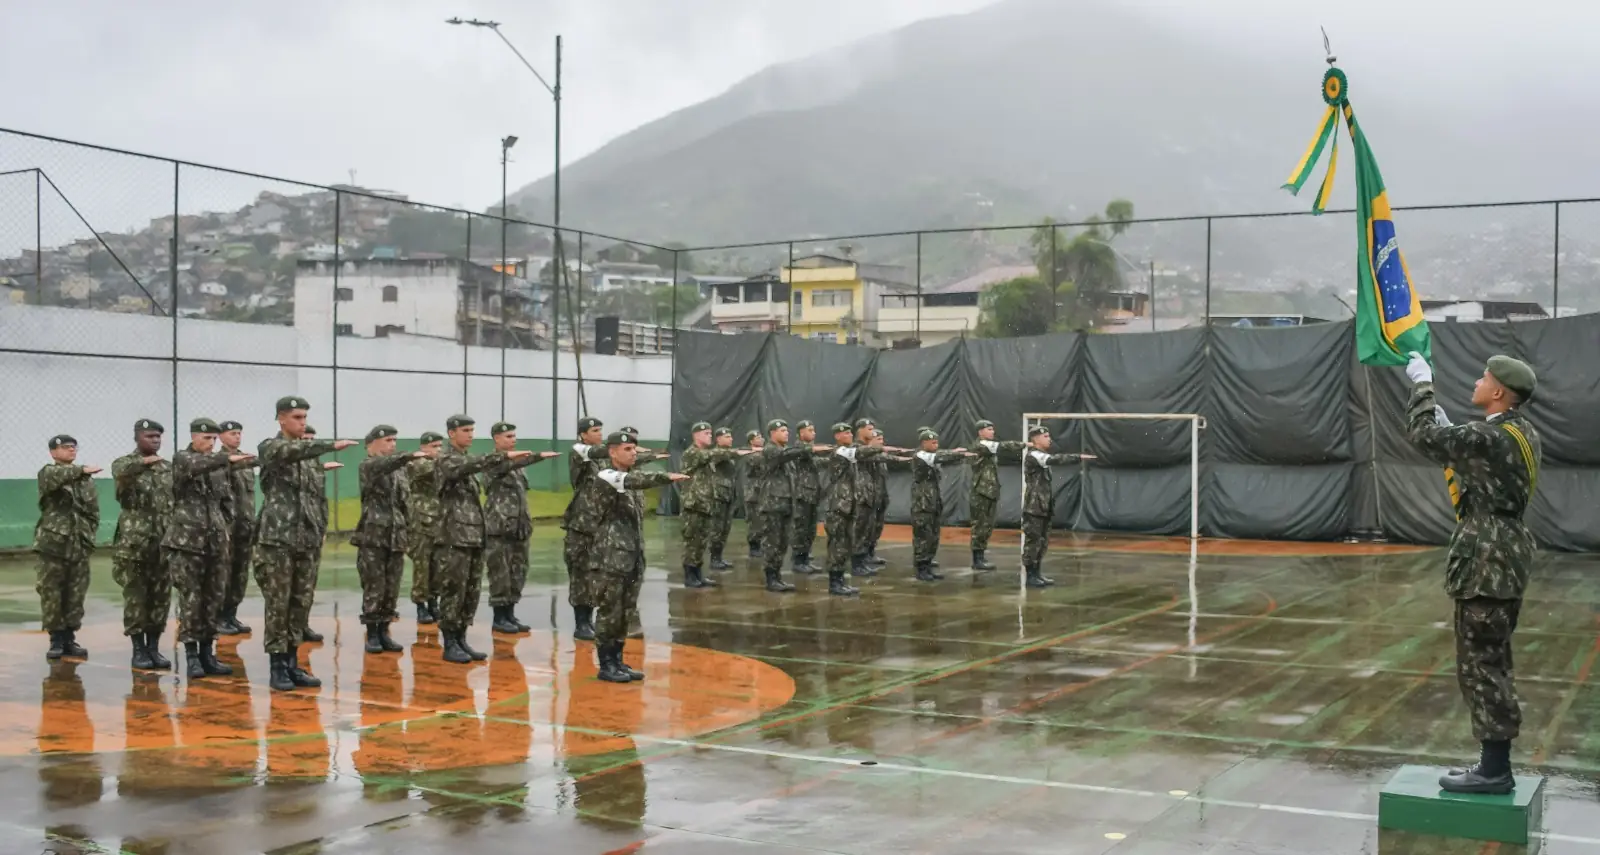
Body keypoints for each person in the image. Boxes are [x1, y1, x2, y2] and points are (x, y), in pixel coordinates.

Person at [1404, 351, 1542, 795]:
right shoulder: (1520, 432)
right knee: (1493, 661)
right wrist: (1452, 431)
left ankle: (1494, 770)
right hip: (1506, 553)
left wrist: (1423, 387)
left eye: (1485, 377)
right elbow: (1478, 464)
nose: (1478, 381)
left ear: (1499, 391)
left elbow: (1422, 436)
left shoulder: (1489, 436)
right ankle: (1493, 762)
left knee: (1481, 665)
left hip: (1486, 560)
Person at [568, 431, 688, 682]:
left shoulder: (629, 479)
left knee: (625, 612)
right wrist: (665, 476)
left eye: (634, 449)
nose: (633, 453)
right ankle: (606, 664)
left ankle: (618, 661)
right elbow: (636, 481)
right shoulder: (606, 476)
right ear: (612, 452)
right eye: (626, 449)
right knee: (610, 611)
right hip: (610, 557)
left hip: (631, 555)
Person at [255, 396, 356, 692]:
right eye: (296, 417)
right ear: (281, 419)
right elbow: (287, 451)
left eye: (304, 417)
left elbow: (316, 499)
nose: (302, 422)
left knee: (300, 603)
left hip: (306, 541)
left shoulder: (310, 459)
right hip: (278, 540)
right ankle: (277, 666)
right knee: (279, 604)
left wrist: (319, 530)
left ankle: (292, 662)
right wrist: (328, 445)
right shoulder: (271, 448)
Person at [434, 414, 533, 663]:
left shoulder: (467, 459)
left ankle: (461, 638)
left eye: (471, 430)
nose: (470, 434)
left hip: (473, 535)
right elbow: (465, 468)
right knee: (454, 590)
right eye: (465, 430)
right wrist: (500, 457)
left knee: (470, 591)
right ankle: (449, 643)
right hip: (453, 536)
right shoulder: (446, 459)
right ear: (451, 433)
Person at [165, 418, 255, 679]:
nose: (211, 444)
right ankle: (192, 656)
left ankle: (208, 653)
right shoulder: (183, 458)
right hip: (188, 542)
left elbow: (226, 502)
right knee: (191, 600)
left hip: (216, 542)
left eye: (214, 439)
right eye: (206, 439)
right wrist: (226, 460)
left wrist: (223, 529)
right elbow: (196, 465)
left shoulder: (217, 466)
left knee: (213, 598)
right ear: (194, 437)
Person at [353, 425, 432, 653]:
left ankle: (385, 630)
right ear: (371, 445)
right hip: (373, 537)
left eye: (394, 440)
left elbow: (405, 503)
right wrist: (407, 456)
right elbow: (383, 465)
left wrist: (409, 532)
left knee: (391, 587)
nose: (392, 444)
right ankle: (372, 633)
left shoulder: (399, 471)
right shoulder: (368, 466)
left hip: (396, 535)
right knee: (374, 586)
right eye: (387, 440)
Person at [482, 421, 561, 634]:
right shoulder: (492, 462)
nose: (512, 439)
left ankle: (510, 613)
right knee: (501, 572)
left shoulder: (518, 466)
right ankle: (499, 617)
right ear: (496, 439)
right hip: (499, 527)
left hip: (518, 527)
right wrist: (535, 457)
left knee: (518, 571)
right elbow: (507, 465)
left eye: (514, 436)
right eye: (508, 436)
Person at [111, 419, 173, 670]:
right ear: (137, 438)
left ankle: (153, 648)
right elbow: (120, 471)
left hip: (162, 543)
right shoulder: (125, 464)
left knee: (160, 598)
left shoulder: (166, 468)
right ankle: (138, 650)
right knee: (136, 598)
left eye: (158, 436)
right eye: (149, 436)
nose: (155, 440)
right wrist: (144, 462)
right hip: (134, 544)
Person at [34, 435, 100, 660]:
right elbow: (58, 476)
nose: (72, 451)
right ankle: (56, 640)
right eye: (66, 447)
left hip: (79, 543)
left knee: (76, 593)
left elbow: (93, 511)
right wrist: (82, 469)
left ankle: (70, 638)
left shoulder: (85, 480)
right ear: (53, 452)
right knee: (52, 591)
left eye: (74, 447)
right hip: (53, 545)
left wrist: (89, 533)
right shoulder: (48, 473)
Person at [758, 419, 832, 593]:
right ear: (772, 433)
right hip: (772, 504)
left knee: (782, 542)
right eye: (782, 430)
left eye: (786, 430)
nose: (786, 433)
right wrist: (811, 448)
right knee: (773, 542)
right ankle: (771, 578)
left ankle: (777, 577)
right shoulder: (770, 450)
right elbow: (788, 454)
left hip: (785, 503)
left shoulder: (785, 452)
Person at [820, 423, 895, 595]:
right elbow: (861, 452)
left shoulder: (849, 451)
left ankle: (839, 581)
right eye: (844, 433)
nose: (848, 435)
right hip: (839, 505)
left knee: (844, 544)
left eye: (849, 432)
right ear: (837, 437)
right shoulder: (840, 451)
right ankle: (835, 583)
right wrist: (877, 448)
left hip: (848, 505)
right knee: (837, 544)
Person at [678, 421, 752, 588]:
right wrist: (736, 452)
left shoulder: (705, 453)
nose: (709, 436)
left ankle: (698, 574)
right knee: (692, 542)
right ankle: (690, 576)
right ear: (696, 435)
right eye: (706, 434)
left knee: (701, 542)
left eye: (710, 433)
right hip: (694, 504)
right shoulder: (692, 453)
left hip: (705, 504)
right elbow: (711, 455)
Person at [1021, 425, 1096, 588]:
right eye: (1046, 436)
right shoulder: (1034, 455)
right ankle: (1031, 575)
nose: (1049, 439)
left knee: (1042, 542)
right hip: (1034, 508)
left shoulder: (1041, 455)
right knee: (1033, 542)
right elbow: (1054, 459)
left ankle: (1038, 573)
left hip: (1043, 506)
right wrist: (1077, 457)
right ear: (1036, 439)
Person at [562, 417, 613, 641]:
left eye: (601, 429)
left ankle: (590, 620)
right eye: (595, 430)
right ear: (583, 434)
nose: (599, 433)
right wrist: (615, 448)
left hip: (599, 524)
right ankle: (580, 623)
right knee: (580, 574)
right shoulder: (579, 451)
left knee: (596, 575)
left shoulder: (600, 458)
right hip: (581, 525)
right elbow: (597, 453)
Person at [906, 429, 975, 582]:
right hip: (922, 503)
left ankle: (928, 564)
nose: (935, 444)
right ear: (923, 443)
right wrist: (958, 453)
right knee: (923, 536)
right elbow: (940, 456)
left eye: (937, 442)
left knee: (933, 536)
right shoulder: (920, 456)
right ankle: (921, 568)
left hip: (933, 502)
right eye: (932, 442)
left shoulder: (931, 456)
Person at [968, 419, 1029, 571]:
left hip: (989, 491)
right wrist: (1024, 444)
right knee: (980, 526)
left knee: (987, 526)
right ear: (980, 432)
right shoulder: (981, 445)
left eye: (992, 429)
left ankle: (980, 557)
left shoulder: (988, 446)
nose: (992, 432)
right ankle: (977, 560)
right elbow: (1004, 446)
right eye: (989, 429)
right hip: (981, 492)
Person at [297, 424, 338, 644]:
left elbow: (320, 500)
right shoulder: (290, 463)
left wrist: (322, 527)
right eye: (305, 439)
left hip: (313, 530)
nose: (309, 443)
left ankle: (303, 624)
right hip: (294, 532)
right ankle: (293, 629)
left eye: (312, 439)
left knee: (308, 582)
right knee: (293, 587)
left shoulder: (315, 466)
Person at [216, 420, 258, 635]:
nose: (237, 437)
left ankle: (231, 615)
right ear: (221, 437)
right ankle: (220, 617)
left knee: (240, 574)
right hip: (228, 528)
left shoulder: (246, 460)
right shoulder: (218, 461)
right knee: (225, 572)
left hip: (245, 526)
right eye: (232, 433)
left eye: (239, 433)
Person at [405, 431, 446, 624]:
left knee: (438, 565)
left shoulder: (440, 464)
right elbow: (434, 470)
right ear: (423, 447)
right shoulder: (418, 463)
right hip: (420, 521)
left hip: (438, 520)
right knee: (422, 565)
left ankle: (433, 602)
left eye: (440, 446)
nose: (438, 450)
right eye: (434, 446)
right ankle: (421, 605)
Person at [789, 420, 824, 574]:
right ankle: (798, 560)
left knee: (810, 529)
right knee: (801, 529)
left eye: (814, 429)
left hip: (811, 493)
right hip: (802, 494)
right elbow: (809, 451)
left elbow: (816, 460)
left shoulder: (808, 449)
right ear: (801, 433)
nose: (813, 433)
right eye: (810, 430)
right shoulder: (799, 447)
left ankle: (804, 557)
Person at [707, 427, 739, 569]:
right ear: (718, 439)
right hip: (718, 495)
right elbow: (719, 455)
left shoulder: (727, 455)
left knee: (725, 528)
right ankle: (714, 559)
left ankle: (719, 557)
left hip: (727, 495)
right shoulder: (716, 453)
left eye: (731, 436)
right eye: (727, 437)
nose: (731, 439)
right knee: (717, 528)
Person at [740, 430, 766, 557]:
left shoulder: (762, 452)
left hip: (763, 492)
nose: (761, 439)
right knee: (755, 522)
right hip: (753, 493)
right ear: (751, 441)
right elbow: (759, 460)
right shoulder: (750, 454)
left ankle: (760, 545)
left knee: (763, 521)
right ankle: (754, 547)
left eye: (761, 437)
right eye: (758, 437)